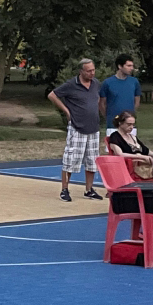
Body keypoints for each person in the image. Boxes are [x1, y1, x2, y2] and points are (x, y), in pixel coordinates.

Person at [48, 58, 103, 202]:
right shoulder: (72, 84)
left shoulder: (96, 84)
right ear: (81, 71)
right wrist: (67, 111)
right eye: (88, 71)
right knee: (71, 158)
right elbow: (52, 95)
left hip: (93, 127)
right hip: (77, 127)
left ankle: (89, 189)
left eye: (93, 70)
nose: (92, 73)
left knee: (92, 160)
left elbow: (97, 99)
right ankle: (64, 189)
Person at [98, 55, 142, 128]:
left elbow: (137, 101)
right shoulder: (107, 83)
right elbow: (102, 103)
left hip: (130, 124)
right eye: (128, 66)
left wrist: (131, 115)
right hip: (112, 124)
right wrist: (109, 117)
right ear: (120, 66)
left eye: (132, 66)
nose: (131, 68)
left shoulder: (134, 82)